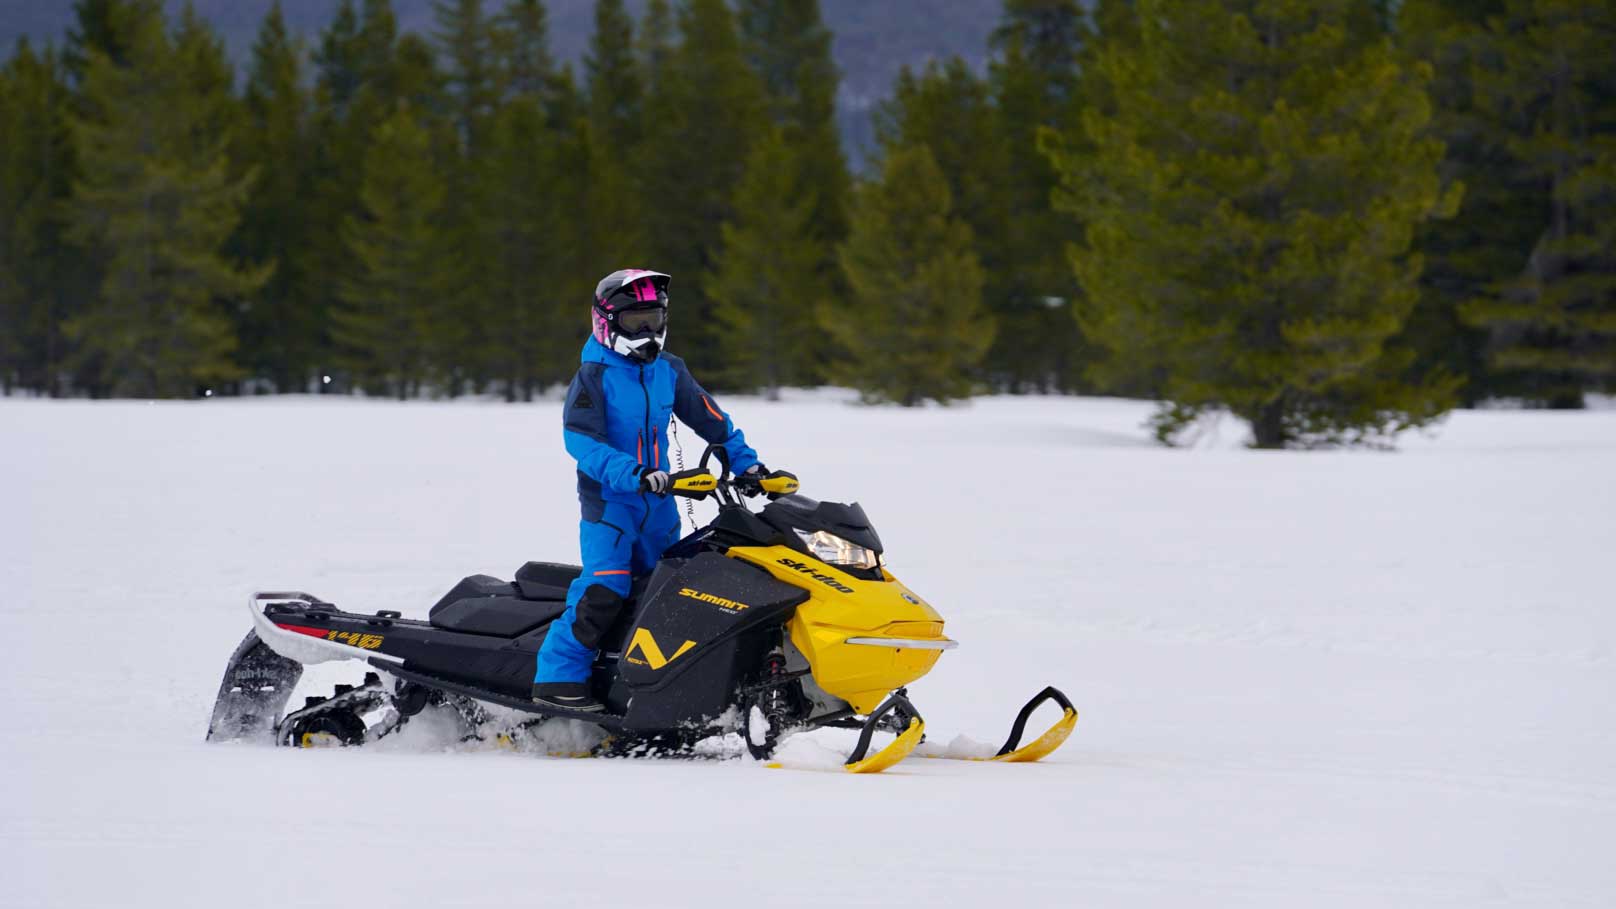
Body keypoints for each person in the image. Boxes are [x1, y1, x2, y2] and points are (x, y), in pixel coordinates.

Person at [531, 269, 791, 712]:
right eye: (636, 322)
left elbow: (715, 422)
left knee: (667, 593)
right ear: (606, 322)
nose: (648, 332)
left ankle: (648, 680)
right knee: (606, 588)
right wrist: (632, 472)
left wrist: (751, 468)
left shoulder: (668, 370)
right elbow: (582, 441)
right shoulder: (593, 376)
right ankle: (558, 677)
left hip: (662, 501)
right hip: (611, 503)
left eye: (653, 319)